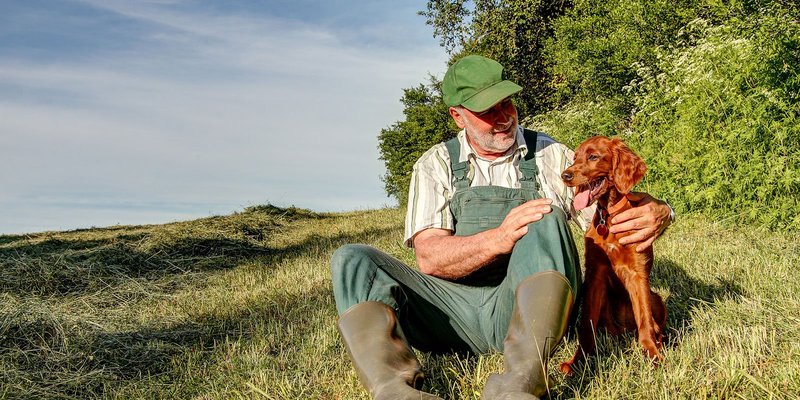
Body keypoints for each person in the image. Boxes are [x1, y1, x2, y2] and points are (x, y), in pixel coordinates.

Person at [330, 54, 673, 399]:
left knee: (546, 216)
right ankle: (396, 392)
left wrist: (661, 210)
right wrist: (499, 238)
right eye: (487, 111)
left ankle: (520, 385)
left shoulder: (550, 155)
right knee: (352, 259)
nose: (503, 118)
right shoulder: (434, 164)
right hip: (450, 313)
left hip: (527, 312)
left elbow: (605, 219)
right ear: (458, 116)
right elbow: (430, 258)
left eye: (506, 103)